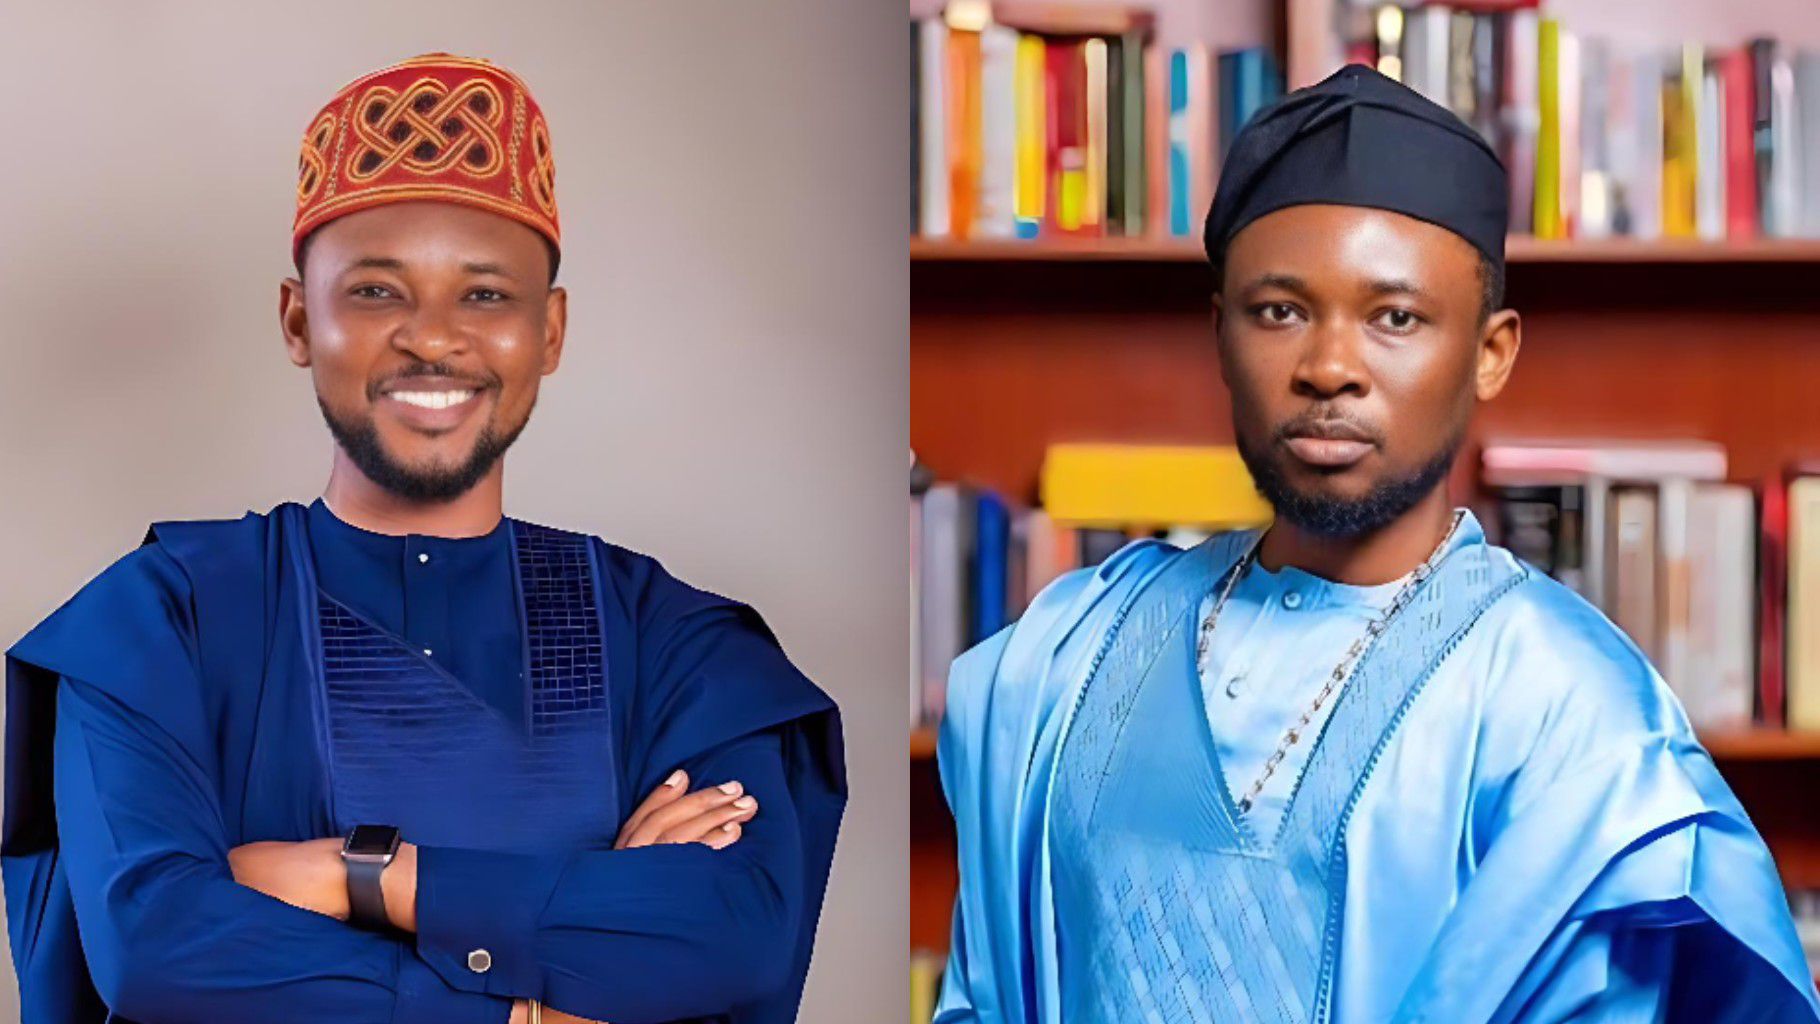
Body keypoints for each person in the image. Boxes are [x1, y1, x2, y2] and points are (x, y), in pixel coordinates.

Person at [934, 64, 1819, 1024]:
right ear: (1220, 331)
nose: (1328, 369)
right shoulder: (1065, 660)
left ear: (1490, 352)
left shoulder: (1570, 714)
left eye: (1395, 317)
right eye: (1280, 311)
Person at [3, 53, 843, 1024]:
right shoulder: (162, 621)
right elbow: (158, 945)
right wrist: (542, 994)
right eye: (374, 292)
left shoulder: (677, 645)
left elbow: (733, 930)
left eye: (484, 295)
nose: (433, 338)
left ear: (551, 332)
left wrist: (366, 878)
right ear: (295, 318)